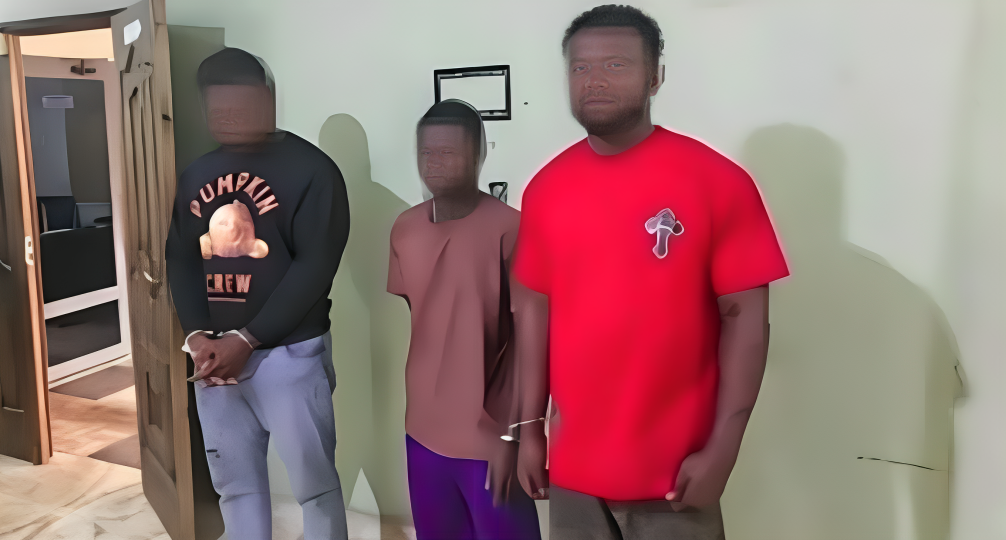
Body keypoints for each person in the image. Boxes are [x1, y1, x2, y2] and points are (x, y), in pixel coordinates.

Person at [512, 5, 790, 539]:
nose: (594, 80)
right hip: (572, 476)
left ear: (656, 76)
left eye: (616, 64)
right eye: (580, 67)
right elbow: (534, 314)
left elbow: (746, 321)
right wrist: (527, 430)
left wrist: (723, 449)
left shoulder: (717, 182)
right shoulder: (545, 189)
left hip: (674, 480)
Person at [165, 47, 350, 540]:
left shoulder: (312, 170)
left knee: (315, 488)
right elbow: (181, 257)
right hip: (213, 360)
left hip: (289, 355)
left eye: (240, 104)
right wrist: (197, 336)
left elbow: (316, 266)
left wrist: (247, 339)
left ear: (268, 99)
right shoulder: (196, 173)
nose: (228, 115)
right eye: (218, 106)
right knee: (235, 488)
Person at [387, 99, 549, 540]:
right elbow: (425, 319)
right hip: (422, 430)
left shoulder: (513, 229)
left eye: (448, 152)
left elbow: (534, 339)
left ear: (478, 155)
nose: (434, 163)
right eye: (427, 152)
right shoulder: (405, 229)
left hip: (492, 436)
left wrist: (528, 430)